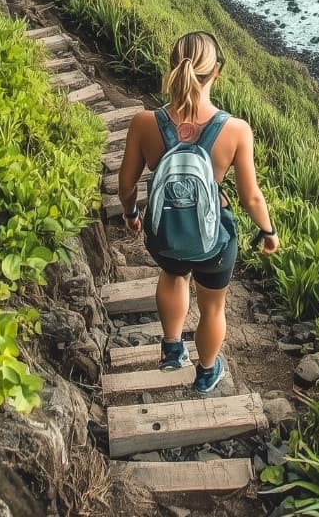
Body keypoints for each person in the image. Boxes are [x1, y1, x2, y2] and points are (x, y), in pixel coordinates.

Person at [118, 31, 280, 393]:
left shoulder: (144, 122)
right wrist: (268, 233)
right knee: (213, 308)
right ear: (217, 72)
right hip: (214, 240)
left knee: (174, 277)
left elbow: (125, 184)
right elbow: (251, 196)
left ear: (173, 69)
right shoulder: (235, 130)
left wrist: (131, 214)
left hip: (165, 234)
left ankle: (173, 347)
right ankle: (206, 371)